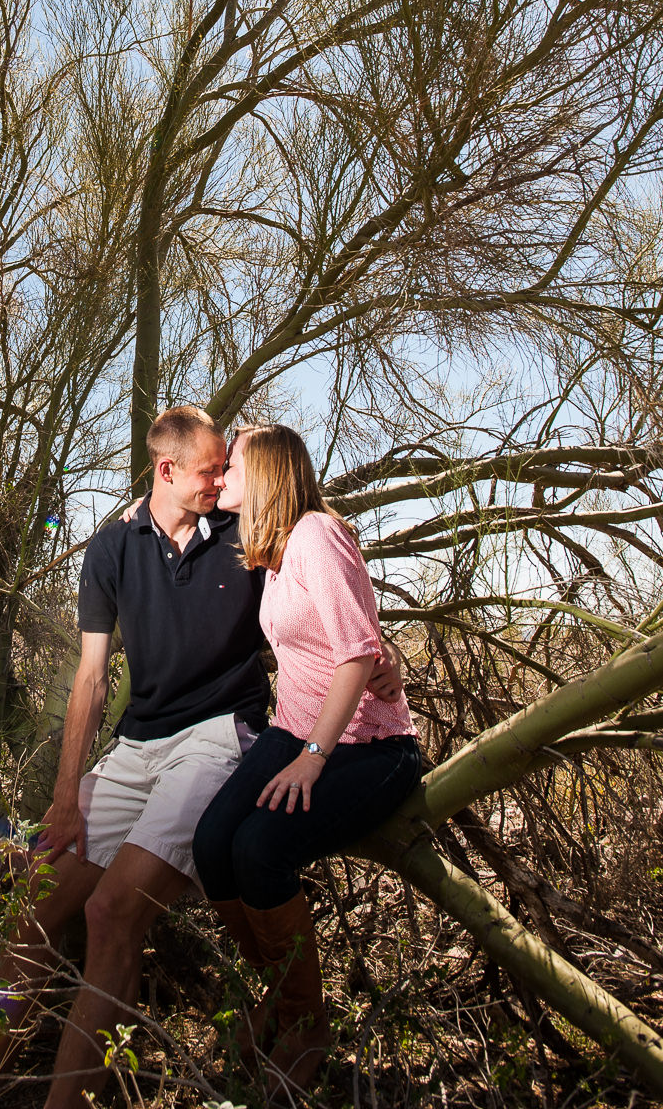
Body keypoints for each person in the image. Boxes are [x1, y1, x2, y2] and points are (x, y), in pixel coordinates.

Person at [0, 406, 403, 1109]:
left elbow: (330, 599)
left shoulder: (242, 529)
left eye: (230, 467)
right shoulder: (111, 549)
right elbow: (92, 677)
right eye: (210, 469)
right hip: (135, 745)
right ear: (167, 470)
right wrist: (66, 794)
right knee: (36, 913)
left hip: (221, 735)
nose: (222, 479)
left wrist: (385, 655)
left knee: (111, 914)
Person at [191, 425, 421, 1098]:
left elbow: (356, 653)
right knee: (212, 846)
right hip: (294, 731)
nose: (218, 477)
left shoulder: (317, 534)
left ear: (262, 472)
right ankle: (279, 991)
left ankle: (306, 1021)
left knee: (260, 849)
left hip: (369, 746)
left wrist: (313, 759)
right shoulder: (270, 548)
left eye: (227, 466)